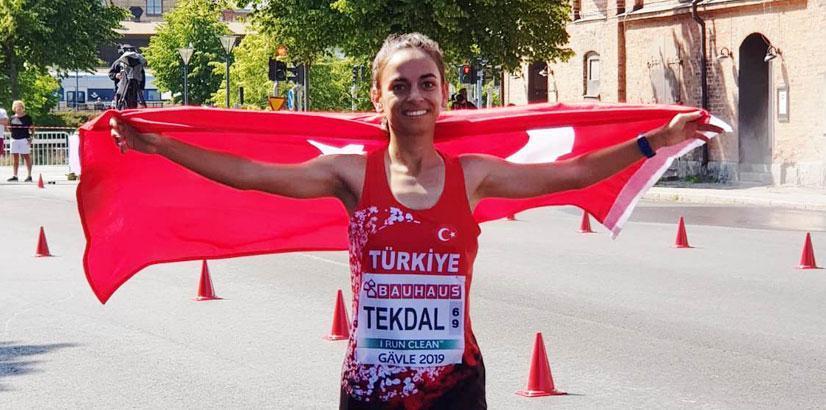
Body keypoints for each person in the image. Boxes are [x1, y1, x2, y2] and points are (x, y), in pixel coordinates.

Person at [110, 33, 721, 408]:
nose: (415, 96)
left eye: (427, 83)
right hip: (372, 388)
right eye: (399, 86)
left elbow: (572, 173)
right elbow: (250, 173)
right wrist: (161, 145)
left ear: (444, 94)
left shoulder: (472, 175)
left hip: (454, 386)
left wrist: (656, 141)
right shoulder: (351, 175)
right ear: (378, 98)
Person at [109, 44, 147, 110]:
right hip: (121, 89)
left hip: (134, 89)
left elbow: (142, 76)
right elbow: (111, 73)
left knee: (133, 106)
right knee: (120, 105)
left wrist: (141, 88)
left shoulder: (138, 63)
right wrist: (116, 75)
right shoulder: (118, 62)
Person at [7, 100, 34, 182]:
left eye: (20, 106)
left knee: (26, 157)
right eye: (16, 106)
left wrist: (31, 138)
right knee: (15, 158)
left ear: (23, 108)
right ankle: (15, 176)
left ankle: (29, 175)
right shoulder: (12, 117)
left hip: (24, 139)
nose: (18, 108)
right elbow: (9, 128)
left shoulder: (27, 117)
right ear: (14, 108)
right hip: (14, 139)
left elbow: (32, 129)